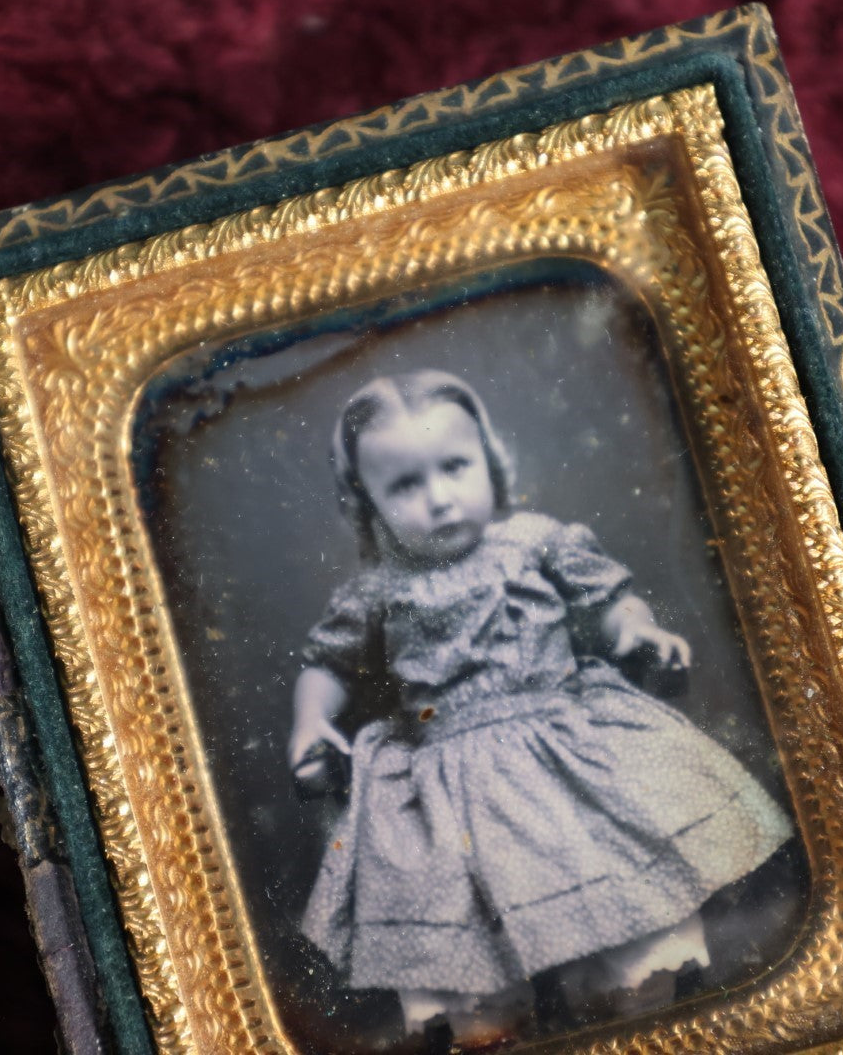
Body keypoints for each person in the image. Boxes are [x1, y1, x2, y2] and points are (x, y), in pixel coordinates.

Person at [287, 369, 793, 1045]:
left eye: (455, 468)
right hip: (449, 778)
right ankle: (500, 1023)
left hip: (560, 748)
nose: (439, 499)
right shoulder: (376, 591)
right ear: (367, 501)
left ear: (489, 463)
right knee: (475, 971)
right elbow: (326, 665)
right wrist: (310, 721)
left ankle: (638, 1012)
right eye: (405, 485)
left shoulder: (536, 540)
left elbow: (609, 603)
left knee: (631, 923)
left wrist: (634, 632)